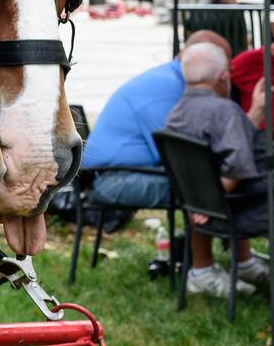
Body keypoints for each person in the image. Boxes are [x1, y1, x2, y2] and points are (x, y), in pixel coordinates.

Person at [162, 42, 272, 297]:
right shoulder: (226, 111)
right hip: (235, 211)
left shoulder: (176, 113)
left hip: (196, 209)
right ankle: (244, 264)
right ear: (225, 77)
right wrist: (208, 201)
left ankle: (244, 264)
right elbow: (236, 167)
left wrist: (198, 200)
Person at [82, 30, 235, 210]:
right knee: (208, 190)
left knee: (207, 187)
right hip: (112, 180)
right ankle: (213, 236)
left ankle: (194, 237)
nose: (227, 72)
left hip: (118, 175)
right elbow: (177, 156)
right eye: (224, 64)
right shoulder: (169, 89)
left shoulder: (172, 77)